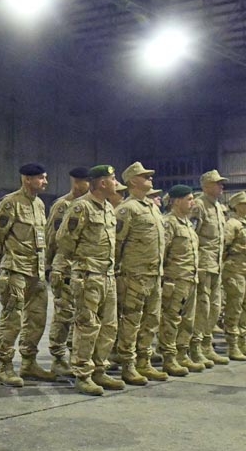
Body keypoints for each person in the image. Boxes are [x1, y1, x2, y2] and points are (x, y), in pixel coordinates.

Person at [55, 165, 122, 396]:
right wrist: (81, 263)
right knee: (87, 326)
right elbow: (64, 239)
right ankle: (83, 374)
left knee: (109, 326)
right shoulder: (80, 207)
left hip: (107, 275)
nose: (116, 182)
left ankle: (99, 369)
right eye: (113, 178)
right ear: (102, 183)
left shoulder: (108, 208)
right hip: (88, 275)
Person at [0, 163, 54, 387]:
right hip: (16, 269)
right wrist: (5, 260)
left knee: (37, 319)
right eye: (41, 178)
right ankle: (5, 367)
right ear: (27, 179)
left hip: (37, 272)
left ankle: (29, 363)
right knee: (12, 319)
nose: (45, 182)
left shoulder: (39, 204)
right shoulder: (10, 203)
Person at [113, 162, 166, 385]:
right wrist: (118, 272)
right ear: (133, 181)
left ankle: (144, 361)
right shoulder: (127, 209)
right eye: (145, 176)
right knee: (131, 322)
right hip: (134, 275)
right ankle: (128, 364)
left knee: (151, 320)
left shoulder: (152, 208)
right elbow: (116, 244)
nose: (150, 179)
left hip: (154, 275)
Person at [44, 167, 92, 377]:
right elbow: (52, 237)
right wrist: (50, 265)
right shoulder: (63, 206)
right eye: (87, 182)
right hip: (64, 268)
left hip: (83, 268)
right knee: (64, 314)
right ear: (77, 183)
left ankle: (76, 356)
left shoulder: (90, 205)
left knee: (81, 315)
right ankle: (57, 358)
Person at [159, 185, 200, 376]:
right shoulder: (169, 223)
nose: (193, 202)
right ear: (176, 201)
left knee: (187, 320)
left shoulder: (188, 224)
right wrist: (164, 279)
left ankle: (182, 354)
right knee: (171, 320)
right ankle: (169, 358)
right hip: (175, 280)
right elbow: (162, 253)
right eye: (189, 199)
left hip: (190, 278)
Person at [192, 170, 230, 367]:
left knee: (215, 307)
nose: (221, 186)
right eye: (217, 183)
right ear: (206, 186)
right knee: (202, 307)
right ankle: (196, 347)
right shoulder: (199, 205)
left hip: (216, 264)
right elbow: (192, 235)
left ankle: (207, 345)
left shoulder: (218, 207)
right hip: (203, 264)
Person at [221, 191, 246, 361]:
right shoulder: (232, 224)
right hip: (235, 271)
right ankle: (233, 345)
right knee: (234, 308)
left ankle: (243, 343)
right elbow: (224, 246)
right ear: (237, 206)